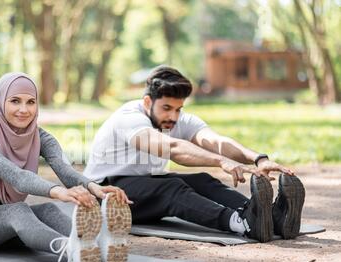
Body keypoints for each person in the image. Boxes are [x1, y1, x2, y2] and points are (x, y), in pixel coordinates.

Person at [83, 66, 305, 243]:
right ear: (147, 102)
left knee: (202, 180)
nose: (173, 116)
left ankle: (266, 216)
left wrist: (259, 159)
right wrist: (220, 162)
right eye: (167, 108)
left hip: (139, 187)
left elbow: (216, 142)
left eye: (178, 109)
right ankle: (241, 223)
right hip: (104, 195)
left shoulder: (176, 117)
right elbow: (173, 149)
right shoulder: (129, 118)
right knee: (171, 189)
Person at [0, 72, 132, 262]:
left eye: (31, 102)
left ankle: (96, 247)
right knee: (18, 210)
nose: (24, 110)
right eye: (15, 101)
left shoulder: (38, 136)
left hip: (6, 229)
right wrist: (60, 192)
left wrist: (97, 189)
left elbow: (64, 169)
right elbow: (16, 176)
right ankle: (70, 250)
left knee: (48, 210)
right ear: (0, 102)